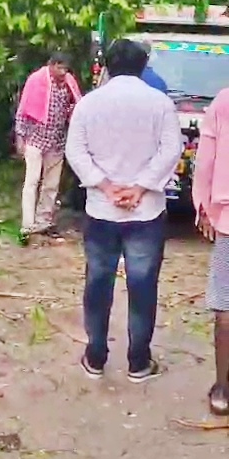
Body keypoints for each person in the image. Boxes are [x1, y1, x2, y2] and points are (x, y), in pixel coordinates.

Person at [66, 39, 182, 382]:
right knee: (143, 286)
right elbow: (171, 149)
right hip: (145, 211)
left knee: (98, 283)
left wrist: (104, 185)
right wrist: (141, 186)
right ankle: (138, 361)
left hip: (102, 209)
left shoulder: (90, 103)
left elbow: (76, 150)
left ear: (107, 66)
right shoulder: (159, 103)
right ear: (143, 65)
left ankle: (96, 356)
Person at [192, 86, 229, 416]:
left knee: (227, 305)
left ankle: (222, 388)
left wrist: (203, 207)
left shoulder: (224, 100)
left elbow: (205, 161)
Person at [15, 52, 81, 239]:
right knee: (32, 181)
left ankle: (44, 220)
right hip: (35, 139)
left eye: (65, 69)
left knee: (51, 184)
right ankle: (28, 224)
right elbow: (24, 110)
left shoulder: (68, 82)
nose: (62, 72)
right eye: (59, 68)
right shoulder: (36, 80)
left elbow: (75, 104)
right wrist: (20, 138)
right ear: (51, 65)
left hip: (56, 141)